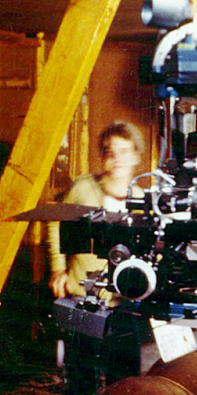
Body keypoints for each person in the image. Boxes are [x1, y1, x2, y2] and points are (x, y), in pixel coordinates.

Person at [47, 121, 147, 298]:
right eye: (110, 152)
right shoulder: (83, 187)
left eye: (124, 151)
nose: (117, 159)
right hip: (80, 294)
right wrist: (58, 269)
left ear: (136, 156)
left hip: (124, 300)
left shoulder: (143, 201)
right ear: (103, 157)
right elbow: (56, 221)